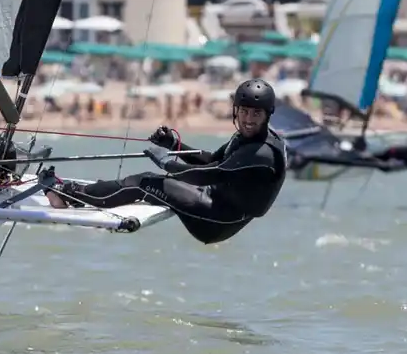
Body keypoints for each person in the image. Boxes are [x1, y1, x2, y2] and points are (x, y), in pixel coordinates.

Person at [44, 78, 287, 244]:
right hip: (218, 204)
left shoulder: (260, 153)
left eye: (256, 114)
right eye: (244, 111)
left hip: (217, 222)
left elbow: (208, 174)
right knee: (150, 184)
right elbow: (211, 160)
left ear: (267, 115)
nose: (248, 119)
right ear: (236, 111)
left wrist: (166, 163)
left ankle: (67, 194)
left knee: (146, 182)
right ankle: (87, 192)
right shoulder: (246, 137)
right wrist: (174, 145)